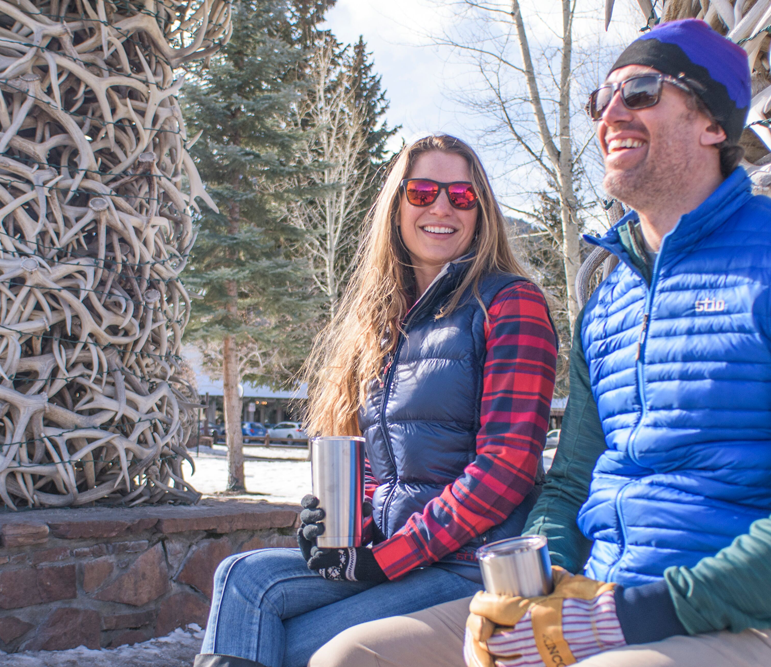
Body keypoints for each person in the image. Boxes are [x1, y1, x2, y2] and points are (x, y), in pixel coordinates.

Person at [309, 19, 771, 667]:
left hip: (769, 623)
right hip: (600, 596)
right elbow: (568, 486)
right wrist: (535, 586)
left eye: (642, 91)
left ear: (714, 126)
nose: (610, 112)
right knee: (353, 655)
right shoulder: (611, 299)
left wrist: (631, 615)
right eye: (601, 97)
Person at [193, 135, 559, 667]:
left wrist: (389, 556)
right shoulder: (385, 319)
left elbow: (508, 467)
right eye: (423, 191)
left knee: (291, 649)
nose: (441, 207)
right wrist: (347, 526)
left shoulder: (509, 302)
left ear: (481, 212)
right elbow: (381, 466)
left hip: (468, 563)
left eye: (461, 195)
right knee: (242, 578)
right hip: (402, 555)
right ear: (397, 204)